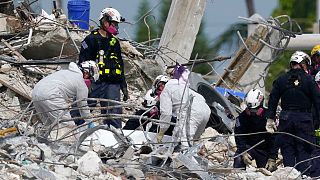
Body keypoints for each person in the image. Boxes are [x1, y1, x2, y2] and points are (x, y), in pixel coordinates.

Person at [266, 51, 320, 175]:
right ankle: (303, 175)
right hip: (304, 120)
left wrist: (270, 119)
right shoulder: (309, 80)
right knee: (304, 150)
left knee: (287, 148)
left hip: (285, 119)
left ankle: (290, 175)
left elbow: (273, 100)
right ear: (304, 63)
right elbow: (318, 102)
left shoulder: (281, 79)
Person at [78, 7, 128, 128]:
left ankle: (115, 136)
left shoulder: (114, 42)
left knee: (114, 111)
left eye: (117, 24)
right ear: (105, 21)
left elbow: (119, 64)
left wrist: (123, 86)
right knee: (85, 107)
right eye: (114, 24)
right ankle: (77, 129)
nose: (116, 27)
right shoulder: (91, 39)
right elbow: (83, 62)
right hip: (95, 82)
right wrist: (85, 83)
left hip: (112, 83)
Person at [32, 61, 98, 136]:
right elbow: (82, 105)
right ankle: (68, 146)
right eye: (90, 78)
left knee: (49, 124)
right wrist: (89, 122)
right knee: (67, 127)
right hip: (51, 95)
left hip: (35, 93)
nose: (89, 82)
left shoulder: (65, 72)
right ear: (86, 73)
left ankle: (43, 143)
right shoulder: (81, 82)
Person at [156, 65, 211, 147]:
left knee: (183, 141)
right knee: (187, 139)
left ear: (160, 86)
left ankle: (181, 157)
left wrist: (161, 131)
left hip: (191, 110)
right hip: (206, 110)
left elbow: (166, 113)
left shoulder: (167, 89)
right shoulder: (184, 87)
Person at [233, 89, 277, 172]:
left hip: (264, 150)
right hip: (249, 147)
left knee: (268, 171)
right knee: (238, 158)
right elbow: (239, 135)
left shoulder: (269, 118)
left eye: (255, 109)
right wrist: (243, 152)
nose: (252, 112)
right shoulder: (243, 117)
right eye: (250, 109)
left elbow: (274, 139)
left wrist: (272, 158)